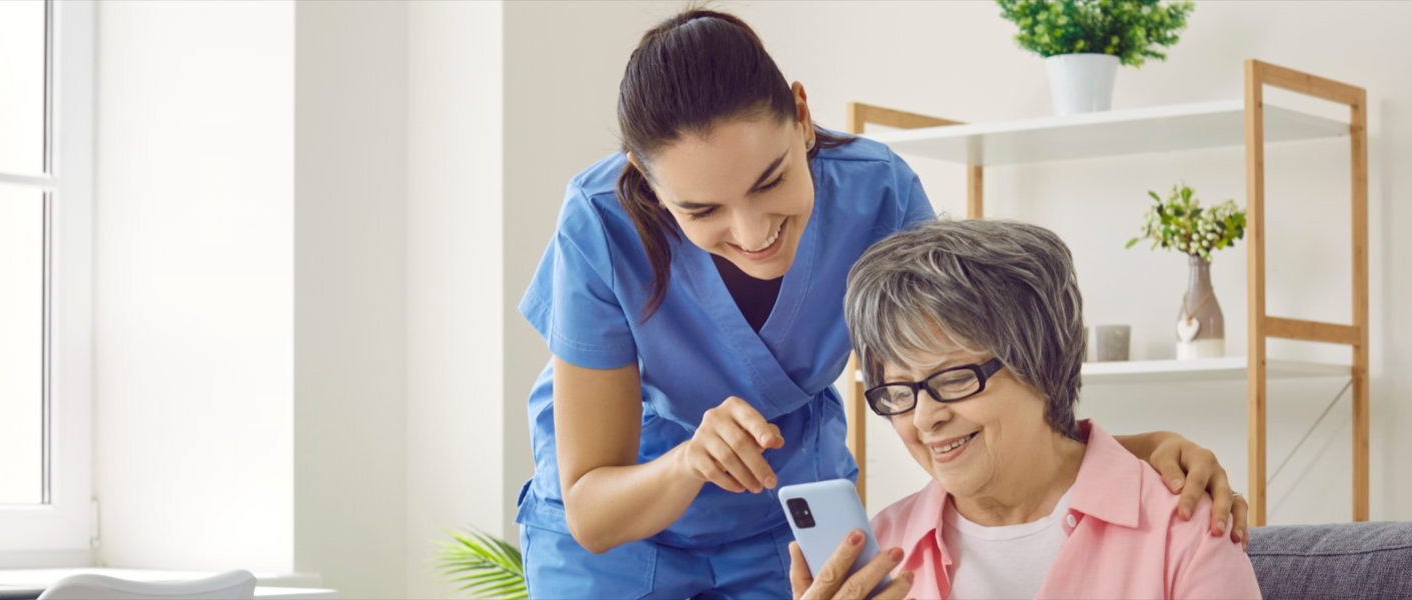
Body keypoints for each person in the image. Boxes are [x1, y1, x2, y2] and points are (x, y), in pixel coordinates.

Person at [518, 9, 1250, 599]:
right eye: (703, 210)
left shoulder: (876, 192)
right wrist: (690, 463)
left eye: (772, 180)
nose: (753, 233)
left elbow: (982, 369)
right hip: (622, 533)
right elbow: (589, 508)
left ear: (802, 117)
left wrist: (1124, 454)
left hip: (788, 516)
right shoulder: (599, 225)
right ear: (650, 191)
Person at [790, 219, 1261, 600]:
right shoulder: (880, 553)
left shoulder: (1184, 532)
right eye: (897, 391)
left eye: (954, 379)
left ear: (1040, 364)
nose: (923, 418)